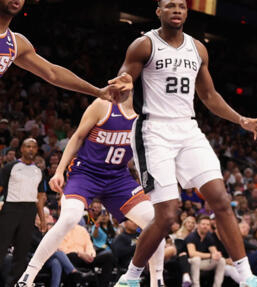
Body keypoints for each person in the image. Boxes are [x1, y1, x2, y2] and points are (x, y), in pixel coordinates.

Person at [114, 0, 257, 287]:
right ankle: (130, 278)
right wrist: (122, 84)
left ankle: (247, 276)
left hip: (188, 129)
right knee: (168, 214)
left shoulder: (197, 48)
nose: (176, 10)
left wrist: (241, 119)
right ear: (158, 11)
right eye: (170, 5)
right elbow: (125, 77)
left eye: (182, 6)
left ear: (187, 13)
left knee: (221, 199)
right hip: (153, 131)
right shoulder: (144, 44)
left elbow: (208, 96)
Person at [17, 95, 166, 287]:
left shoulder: (149, 117)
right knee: (70, 218)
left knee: (156, 223)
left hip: (118, 177)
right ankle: (27, 277)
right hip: (86, 172)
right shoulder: (103, 105)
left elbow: (147, 152)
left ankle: (157, 281)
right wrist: (60, 171)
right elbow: (78, 136)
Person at [0, 139, 47, 286]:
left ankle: (15, 283)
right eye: (28, 146)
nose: (31, 149)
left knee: (22, 250)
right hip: (10, 209)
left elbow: (39, 197)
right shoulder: (10, 167)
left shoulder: (38, 171)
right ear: (21, 149)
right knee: (1, 247)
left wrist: (43, 219)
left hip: (29, 211)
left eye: (34, 147)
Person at [185, 216, 226, 287]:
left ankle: (217, 285)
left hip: (202, 263)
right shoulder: (192, 236)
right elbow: (192, 253)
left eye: (208, 225)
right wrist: (210, 255)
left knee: (221, 260)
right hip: (189, 262)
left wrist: (217, 254)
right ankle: (196, 285)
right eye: (203, 224)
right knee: (196, 259)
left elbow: (214, 251)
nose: (205, 226)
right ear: (197, 225)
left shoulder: (208, 237)